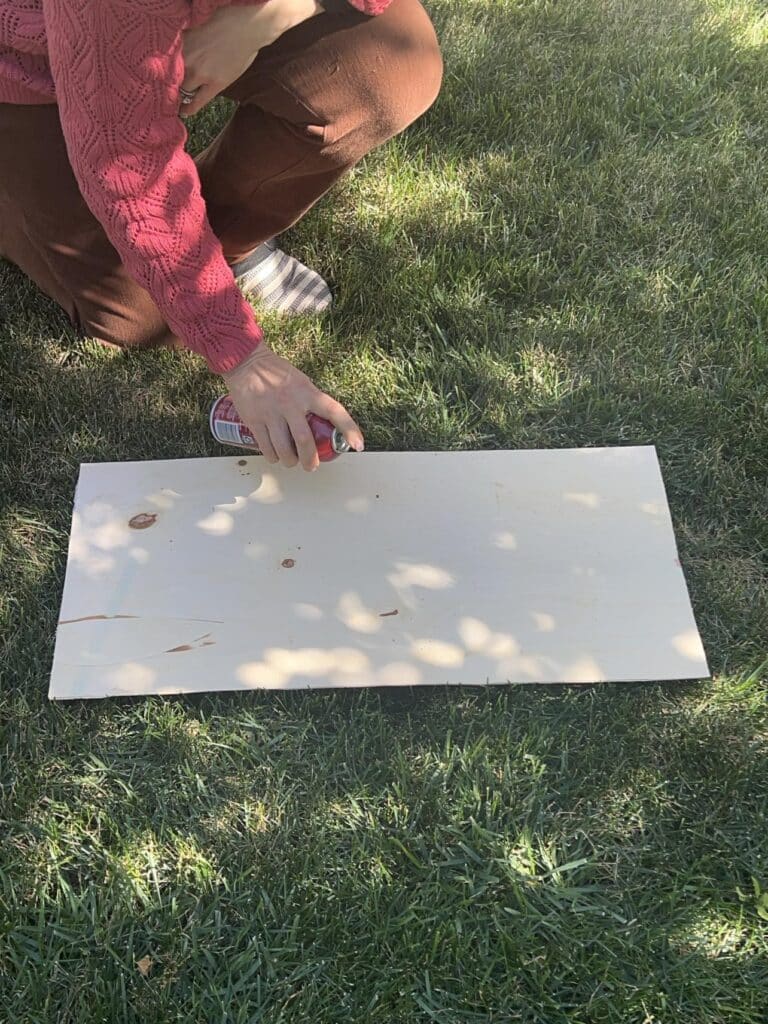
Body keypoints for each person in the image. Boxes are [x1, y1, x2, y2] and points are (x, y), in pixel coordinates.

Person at [0, 0, 443, 469]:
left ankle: (217, 244)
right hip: (40, 57)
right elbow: (124, 162)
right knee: (143, 319)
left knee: (393, 69)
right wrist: (243, 357)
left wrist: (277, 13)